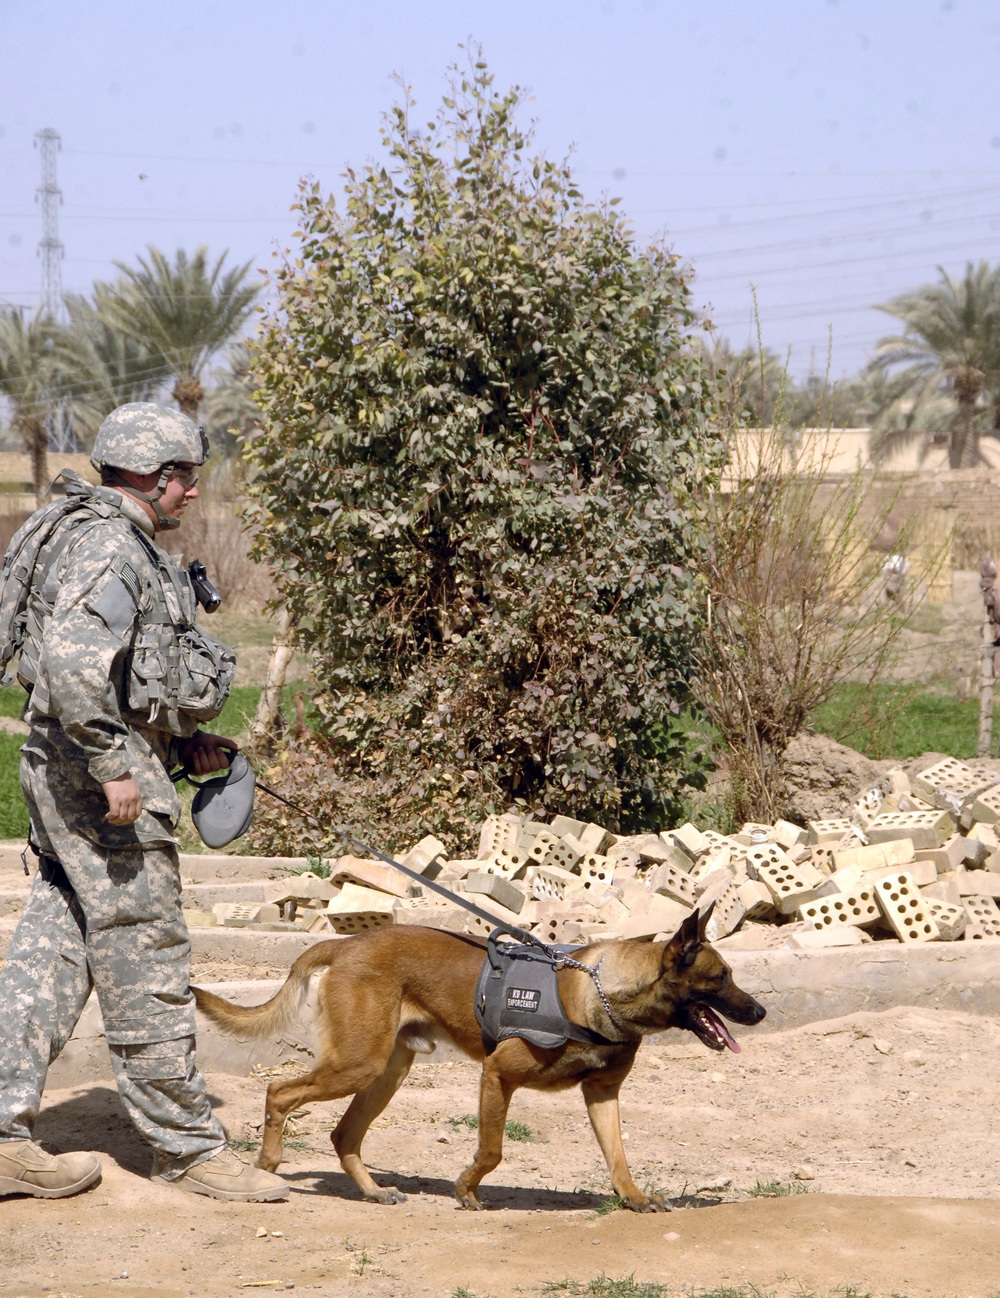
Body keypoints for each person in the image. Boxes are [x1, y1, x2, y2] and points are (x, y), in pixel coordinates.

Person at [0, 402, 288, 1202]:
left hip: (74, 768)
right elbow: (72, 664)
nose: (193, 491)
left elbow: (125, 677)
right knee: (147, 953)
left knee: (52, 950)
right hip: (99, 783)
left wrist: (175, 745)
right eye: (185, 477)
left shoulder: (86, 533)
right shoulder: (110, 549)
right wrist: (113, 764)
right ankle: (188, 1146)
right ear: (152, 477)